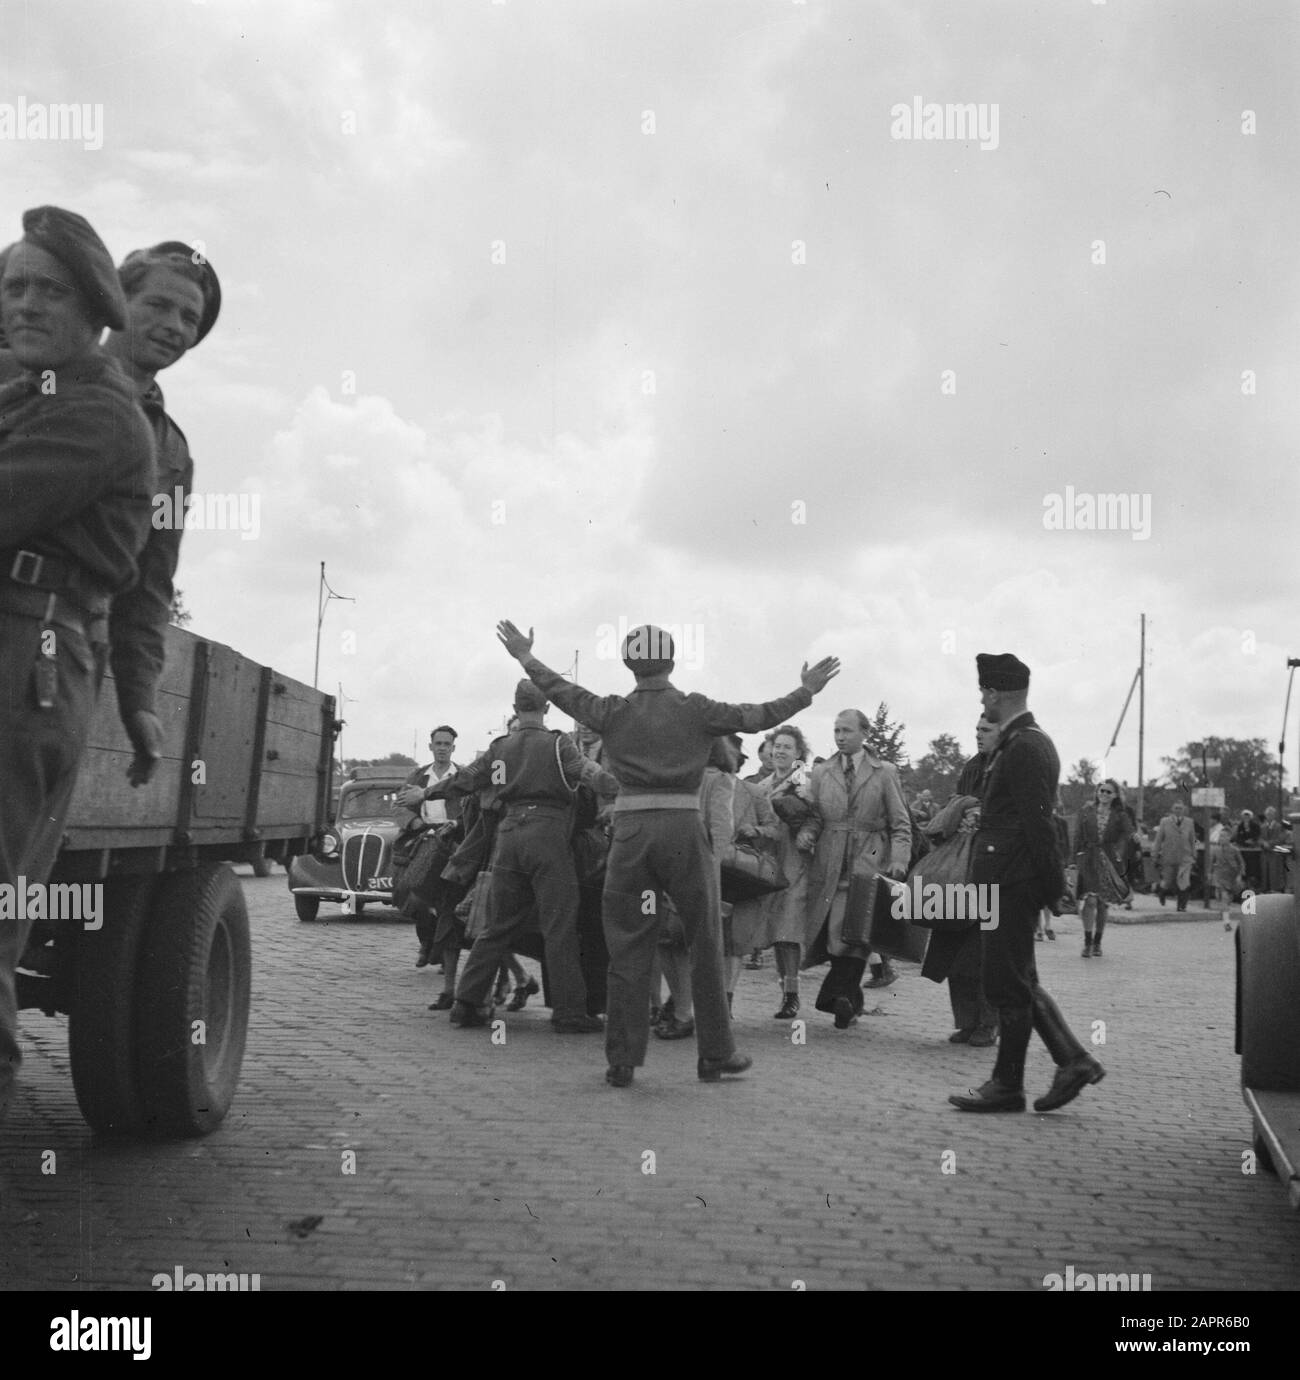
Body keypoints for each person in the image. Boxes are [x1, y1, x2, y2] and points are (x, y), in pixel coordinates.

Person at [498, 618, 840, 1087]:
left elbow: (560, 690)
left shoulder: (612, 711)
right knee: (704, 941)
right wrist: (805, 692)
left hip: (632, 833)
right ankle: (715, 1054)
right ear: (673, 661)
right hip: (683, 831)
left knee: (628, 944)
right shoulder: (696, 709)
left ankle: (621, 1060)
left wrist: (524, 656)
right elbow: (757, 715)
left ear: (629, 665)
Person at [0, 206, 157, 1124]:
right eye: (13, 287)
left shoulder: (97, 413)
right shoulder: (33, 391)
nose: (23, 305)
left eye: (46, 291)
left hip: (29, 655)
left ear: (95, 308)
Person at [950, 653, 1105, 1114]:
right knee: (1018, 979)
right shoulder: (1023, 741)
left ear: (995, 693)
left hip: (1010, 882)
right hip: (1009, 879)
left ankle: (1009, 1084)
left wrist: (1052, 887)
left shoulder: (1024, 747)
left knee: (1007, 982)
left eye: (984, 692)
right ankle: (1072, 1061)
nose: (982, 699)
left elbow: (1041, 827)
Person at [401, 681, 602, 1034]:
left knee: (496, 924)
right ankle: (569, 1013)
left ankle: (466, 1004)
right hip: (549, 836)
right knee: (559, 926)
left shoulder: (500, 747)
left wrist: (426, 791)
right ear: (548, 708)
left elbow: (466, 780)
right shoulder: (559, 744)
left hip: (509, 837)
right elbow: (592, 777)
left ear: (514, 707)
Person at [101, 241, 221, 788]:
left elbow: (150, 586)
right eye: (158, 305)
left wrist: (141, 700)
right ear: (115, 301)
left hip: (66, 664)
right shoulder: (32, 379)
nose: (175, 325)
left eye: (189, 317)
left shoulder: (172, 454)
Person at [798, 709, 912, 1028]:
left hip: (869, 857)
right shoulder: (821, 772)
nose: (840, 736)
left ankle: (834, 998)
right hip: (830, 861)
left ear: (865, 733)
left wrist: (899, 858)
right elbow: (814, 815)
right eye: (836, 730)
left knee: (858, 934)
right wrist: (807, 834)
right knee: (836, 936)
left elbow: (901, 822)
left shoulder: (884, 772)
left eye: (846, 730)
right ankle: (850, 1001)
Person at [921, 716, 1000, 1046]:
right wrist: (963, 809)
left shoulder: (1010, 767)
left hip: (991, 872)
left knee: (984, 952)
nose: (979, 736)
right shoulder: (971, 768)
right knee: (954, 946)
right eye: (977, 730)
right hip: (959, 868)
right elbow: (955, 805)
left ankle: (987, 1022)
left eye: (985, 731)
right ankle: (966, 1021)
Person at [751, 725, 818, 1018]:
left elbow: (817, 814)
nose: (779, 751)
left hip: (795, 863)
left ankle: (792, 995)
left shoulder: (803, 780)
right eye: (777, 746)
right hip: (768, 863)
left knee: (788, 931)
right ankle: (785, 992)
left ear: (798, 753)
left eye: (787, 747)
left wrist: (807, 832)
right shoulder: (762, 785)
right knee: (776, 932)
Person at [401, 725, 462, 976]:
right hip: (425, 837)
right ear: (431, 746)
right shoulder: (417, 776)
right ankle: (425, 943)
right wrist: (414, 823)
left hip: (455, 840)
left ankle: (444, 952)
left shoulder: (462, 775)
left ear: (453, 748)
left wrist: (458, 825)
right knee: (413, 893)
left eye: (447, 744)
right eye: (438, 744)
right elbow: (400, 806)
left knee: (450, 897)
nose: (442, 749)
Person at [1073, 778, 1137, 958]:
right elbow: (1077, 836)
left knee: (1102, 904)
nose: (1104, 794)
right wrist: (1072, 859)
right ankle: (1087, 942)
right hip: (1088, 858)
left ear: (1115, 795)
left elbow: (1129, 832)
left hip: (1108, 860)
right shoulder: (1086, 811)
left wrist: (1129, 842)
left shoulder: (1120, 814)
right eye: (1102, 791)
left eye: (1109, 792)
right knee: (1090, 900)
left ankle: (1097, 942)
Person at [1153, 800, 1196, 911]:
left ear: (1184, 810)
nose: (1178, 810)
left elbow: (1192, 839)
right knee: (1167, 881)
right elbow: (1158, 839)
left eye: (1180, 808)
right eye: (1176, 808)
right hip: (1169, 856)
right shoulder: (1165, 822)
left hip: (1185, 856)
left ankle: (1181, 905)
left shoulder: (1189, 822)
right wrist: (1155, 854)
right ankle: (1161, 892)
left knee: (1183, 880)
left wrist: (1194, 854)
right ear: (1172, 809)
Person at [1211, 827, 1245, 906]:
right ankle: (1224, 911)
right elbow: (1212, 863)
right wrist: (1210, 873)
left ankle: (1225, 912)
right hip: (1219, 875)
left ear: (1229, 837)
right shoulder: (1216, 850)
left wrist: (1240, 876)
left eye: (1223, 836)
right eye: (1220, 836)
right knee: (1220, 896)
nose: (1221, 838)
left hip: (1230, 876)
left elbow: (1241, 863)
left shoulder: (1235, 850)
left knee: (1226, 897)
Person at [1233, 809, 1262, 893]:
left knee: (1253, 869)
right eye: (1244, 816)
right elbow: (1238, 837)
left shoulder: (1255, 825)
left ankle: (1252, 886)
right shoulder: (1240, 826)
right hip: (1243, 852)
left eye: (1247, 816)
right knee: (1244, 868)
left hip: (1253, 853)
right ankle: (1243, 887)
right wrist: (1244, 842)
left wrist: (1253, 840)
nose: (1246, 818)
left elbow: (1257, 835)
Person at [1259, 806, 1286, 893]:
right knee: (1265, 872)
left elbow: (1281, 839)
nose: (1269, 816)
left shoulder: (1279, 826)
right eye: (1267, 814)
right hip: (1265, 853)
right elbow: (1259, 838)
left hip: (1275, 854)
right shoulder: (1262, 826)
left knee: (1275, 872)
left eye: (1271, 814)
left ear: (1274, 815)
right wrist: (1263, 843)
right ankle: (1265, 889)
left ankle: (1275, 889)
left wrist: (1269, 843)